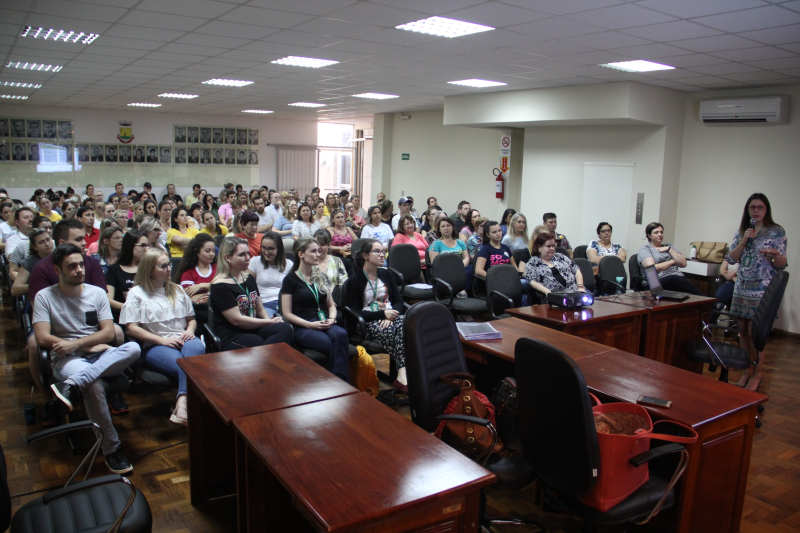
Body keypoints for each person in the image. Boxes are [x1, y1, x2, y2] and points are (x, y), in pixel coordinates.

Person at [34, 243, 140, 474]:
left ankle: (72, 385)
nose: (79, 270)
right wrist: (80, 346)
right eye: (72, 266)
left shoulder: (96, 293)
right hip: (68, 359)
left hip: (98, 353)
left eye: (81, 265)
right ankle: (111, 449)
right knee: (93, 385)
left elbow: (109, 333)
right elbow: (41, 337)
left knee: (133, 348)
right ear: (57, 269)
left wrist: (78, 343)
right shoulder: (45, 296)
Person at [121, 249, 204, 426]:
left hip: (184, 338)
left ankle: (182, 402)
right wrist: (162, 340)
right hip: (156, 344)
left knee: (197, 349)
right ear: (149, 269)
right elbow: (131, 329)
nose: (169, 269)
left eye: (169, 264)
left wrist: (190, 330)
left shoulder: (177, 289)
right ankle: (191, 405)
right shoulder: (137, 293)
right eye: (163, 266)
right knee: (189, 366)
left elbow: (191, 320)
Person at [726, 193, 787, 391]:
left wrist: (775, 255)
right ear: (748, 210)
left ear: (766, 209)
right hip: (742, 287)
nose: (756, 211)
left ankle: (757, 374)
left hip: (762, 289)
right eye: (752, 207)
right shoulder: (743, 231)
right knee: (742, 332)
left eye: (760, 207)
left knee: (756, 335)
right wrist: (744, 240)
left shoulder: (776, 231)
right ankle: (746, 371)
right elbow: (732, 258)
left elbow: (782, 264)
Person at [280, 238, 349, 382]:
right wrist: (310, 325)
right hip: (304, 326)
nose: (318, 254)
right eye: (313, 251)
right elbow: (286, 313)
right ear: (301, 254)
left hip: (324, 322)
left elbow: (331, 305)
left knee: (341, 334)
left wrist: (332, 318)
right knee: (335, 345)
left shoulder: (320, 277)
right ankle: (339, 382)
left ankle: (336, 383)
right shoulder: (290, 280)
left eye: (318, 250)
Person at [209, 237, 293, 350]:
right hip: (232, 334)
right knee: (259, 342)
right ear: (227, 258)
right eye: (241, 255)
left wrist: (270, 322)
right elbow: (237, 320)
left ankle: (269, 359)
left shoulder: (248, 278)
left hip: (253, 328)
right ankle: (271, 360)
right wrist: (268, 322)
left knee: (285, 328)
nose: (248, 258)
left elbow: (260, 309)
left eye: (248, 253)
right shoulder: (220, 286)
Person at [346, 239, 408, 389]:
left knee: (408, 325)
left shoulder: (386, 274)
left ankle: (402, 375)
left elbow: (399, 301)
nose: (382, 255)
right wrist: (382, 315)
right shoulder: (354, 280)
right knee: (400, 333)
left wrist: (391, 316)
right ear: (365, 255)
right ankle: (405, 374)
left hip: (391, 317)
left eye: (383, 251)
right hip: (369, 321)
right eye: (377, 251)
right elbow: (355, 312)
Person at [638, 222, 702, 295]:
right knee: (675, 279)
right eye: (656, 232)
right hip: (656, 282)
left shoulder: (669, 246)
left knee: (684, 288)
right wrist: (672, 261)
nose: (660, 234)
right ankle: (705, 299)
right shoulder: (645, 249)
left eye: (661, 232)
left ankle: (704, 300)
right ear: (649, 235)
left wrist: (669, 249)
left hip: (677, 278)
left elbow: (683, 264)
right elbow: (652, 268)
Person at [525, 232, 586, 302]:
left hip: (575, 291)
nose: (552, 248)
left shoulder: (560, 256)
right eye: (548, 246)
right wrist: (548, 293)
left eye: (553, 246)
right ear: (539, 247)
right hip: (554, 296)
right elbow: (532, 282)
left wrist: (580, 287)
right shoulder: (533, 263)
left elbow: (576, 269)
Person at [248, 232, 293, 317]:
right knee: (275, 322)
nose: (266, 252)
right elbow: (249, 287)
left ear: (279, 249)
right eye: (263, 247)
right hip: (265, 304)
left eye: (270, 249)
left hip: (285, 303)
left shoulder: (289, 264)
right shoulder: (255, 261)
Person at [175, 233, 216, 323]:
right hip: (199, 313)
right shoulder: (188, 274)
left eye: (213, 251)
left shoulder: (219, 268)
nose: (211, 254)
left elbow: (225, 286)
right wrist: (213, 290)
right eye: (207, 251)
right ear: (197, 252)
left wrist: (201, 286)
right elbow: (190, 299)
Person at [106, 229, 147, 318]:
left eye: (147, 246)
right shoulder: (114, 270)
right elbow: (109, 300)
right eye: (142, 246)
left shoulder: (149, 269)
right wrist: (131, 308)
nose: (146, 249)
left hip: (146, 317)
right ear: (130, 246)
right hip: (122, 317)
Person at [11, 228, 54, 299]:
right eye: (41, 242)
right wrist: (41, 285)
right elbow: (15, 290)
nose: (47, 244)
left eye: (48, 239)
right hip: (38, 299)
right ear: (34, 247)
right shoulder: (30, 261)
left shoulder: (61, 256)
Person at [311, 230, 348, 297]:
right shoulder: (309, 262)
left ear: (329, 245)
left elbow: (344, 283)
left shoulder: (337, 261)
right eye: (317, 244)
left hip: (335, 298)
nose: (319, 247)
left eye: (322, 244)